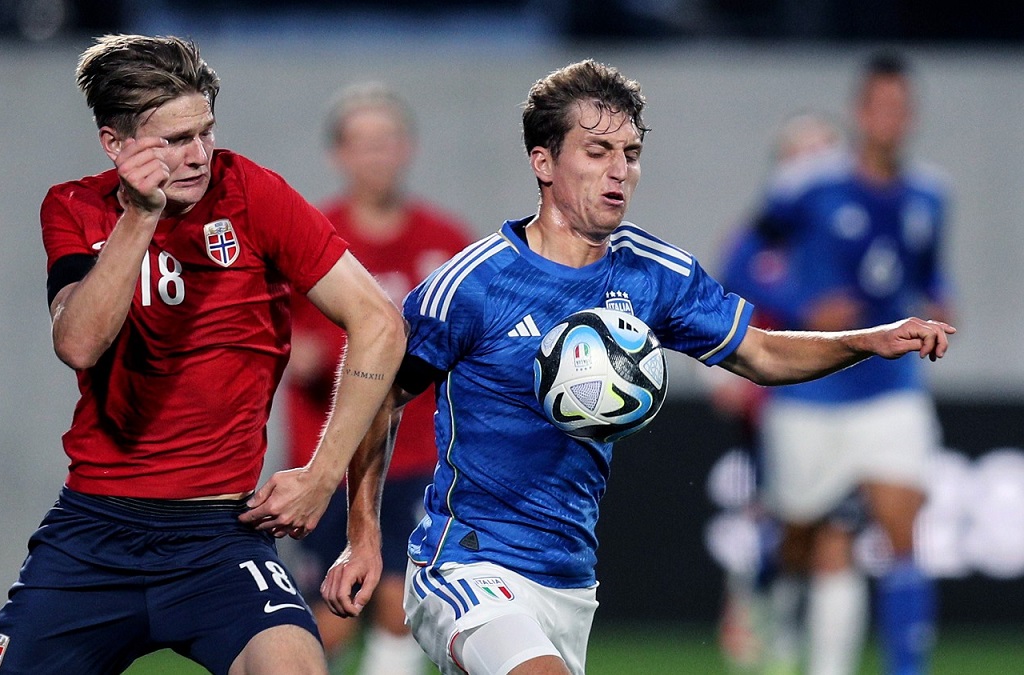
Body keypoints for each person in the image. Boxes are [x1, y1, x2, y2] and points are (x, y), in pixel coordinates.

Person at [318, 59, 955, 675]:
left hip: (568, 579)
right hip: (466, 567)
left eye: (630, 153)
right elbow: (380, 391)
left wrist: (869, 339)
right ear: (543, 162)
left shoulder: (655, 273)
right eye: (597, 152)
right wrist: (363, 534)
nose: (619, 171)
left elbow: (760, 353)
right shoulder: (472, 283)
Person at [0, 34, 405, 675]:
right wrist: (139, 217)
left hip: (220, 538)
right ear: (115, 144)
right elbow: (78, 342)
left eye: (204, 131)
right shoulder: (75, 207)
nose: (199, 155)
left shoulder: (250, 192)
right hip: (93, 533)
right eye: (173, 140)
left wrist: (322, 478)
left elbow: (380, 325)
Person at [753, 51, 951, 675]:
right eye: (879, 105)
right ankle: (777, 593)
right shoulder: (807, 185)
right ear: (861, 111)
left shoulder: (929, 195)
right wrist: (799, 306)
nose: (889, 118)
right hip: (812, 390)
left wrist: (943, 301)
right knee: (803, 539)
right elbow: (742, 261)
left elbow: (925, 271)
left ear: (910, 115)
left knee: (900, 532)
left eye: (900, 106)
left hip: (891, 386)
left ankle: (904, 667)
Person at [284, 81, 471, 674]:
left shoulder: (445, 243)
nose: (377, 156)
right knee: (330, 616)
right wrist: (294, 353)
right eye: (362, 144)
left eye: (387, 141)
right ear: (338, 154)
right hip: (330, 458)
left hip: (419, 455)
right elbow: (263, 328)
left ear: (407, 148)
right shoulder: (308, 237)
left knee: (400, 602)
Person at [708, 112, 844, 672]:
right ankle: (766, 608)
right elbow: (717, 313)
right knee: (790, 527)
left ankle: (815, 653)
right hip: (780, 404)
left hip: (849, 404)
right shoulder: (755, 242)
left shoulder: (851, 238)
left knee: (837, 532)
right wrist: (718, 375)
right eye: (801, 158)